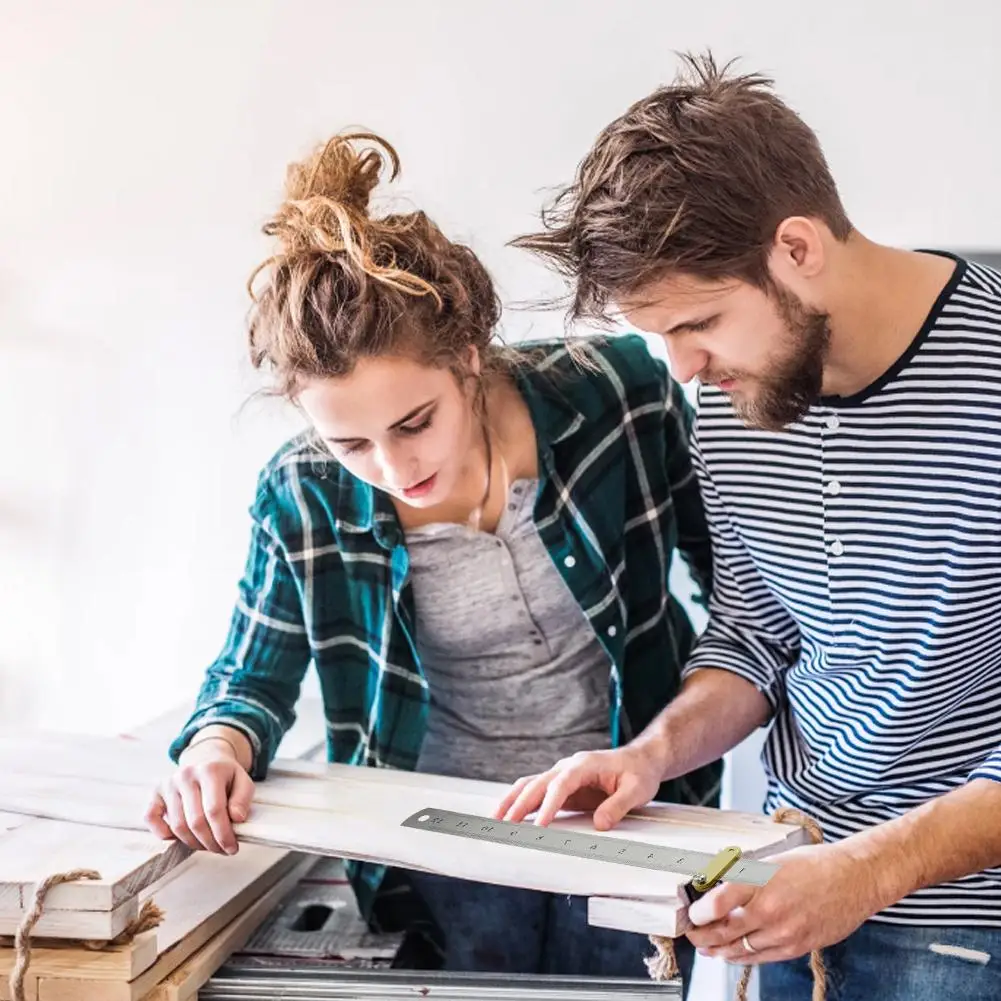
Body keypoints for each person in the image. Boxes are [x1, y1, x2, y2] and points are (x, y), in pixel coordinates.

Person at [144, 129, 719, 984]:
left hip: (632, 818)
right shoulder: (301, 492)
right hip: (447, 829)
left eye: (414, 422)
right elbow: (250, 679)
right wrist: (215, 750)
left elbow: (743, 593)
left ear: (467, 357)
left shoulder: (617, 397)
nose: (393, 467)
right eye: (351, 442)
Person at [498, 54, 1001, 1000]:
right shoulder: (738, 401)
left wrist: (867, 871)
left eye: (701, 323)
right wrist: (648, 754)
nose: (683, 369)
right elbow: (755, 635)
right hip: (785, 884)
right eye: (661, 338)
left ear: (798, 247)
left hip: (966, 931)